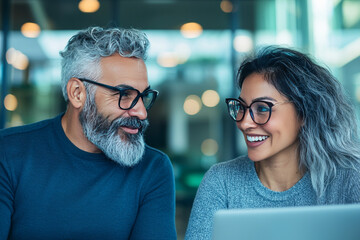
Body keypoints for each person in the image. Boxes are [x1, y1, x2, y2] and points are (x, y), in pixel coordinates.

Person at [0, 27, 176, 239]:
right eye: (124, 94)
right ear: (77, 93)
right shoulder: (8, 153)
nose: (141, 112)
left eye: (144, 96)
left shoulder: (152, 169)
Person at [185, 46, 360, 239]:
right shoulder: (222, 181)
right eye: (241, 107)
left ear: (304, 113)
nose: (244, 122)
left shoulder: (349, 179)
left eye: (262, 108)